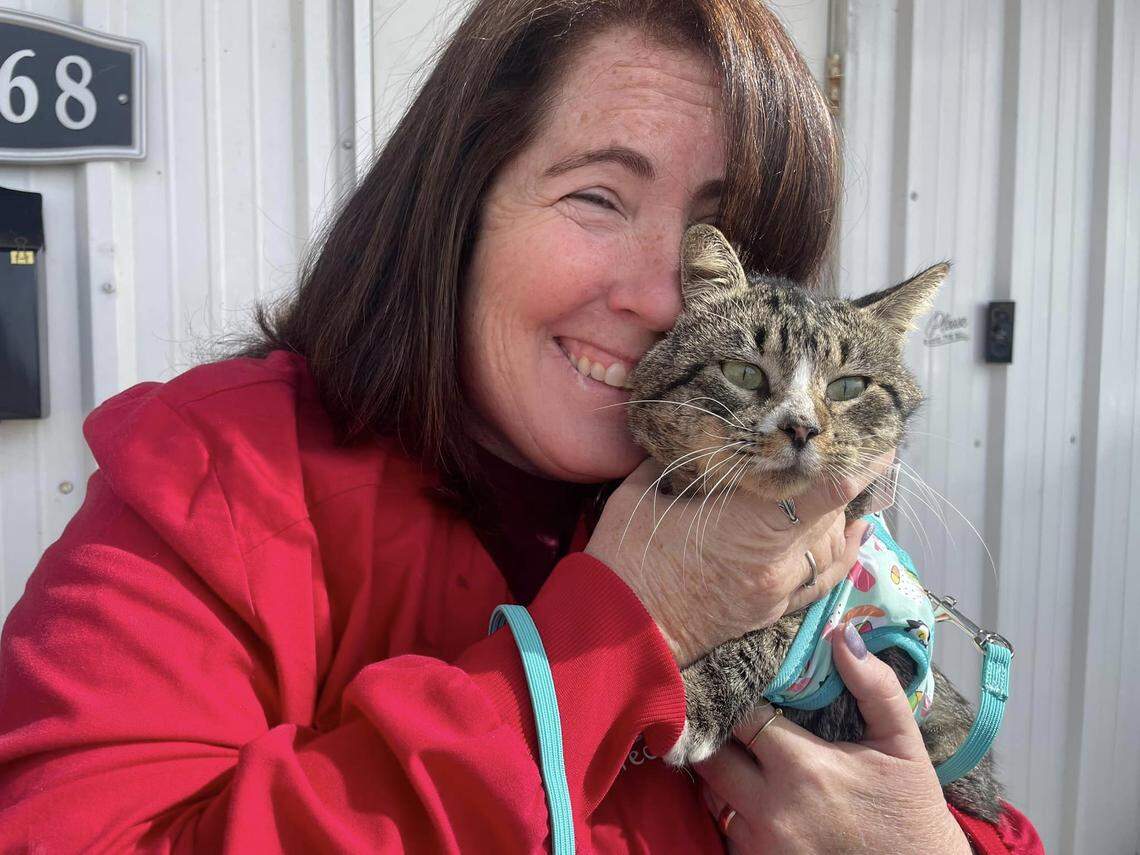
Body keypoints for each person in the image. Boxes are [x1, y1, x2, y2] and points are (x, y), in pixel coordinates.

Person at [0, 0, 1041, 851]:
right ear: (457, 204)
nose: (666, 301)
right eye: (598, 198)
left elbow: (973, 796)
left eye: (721, 240)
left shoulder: (782, 516)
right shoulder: (217, 477)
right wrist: (619, 636)